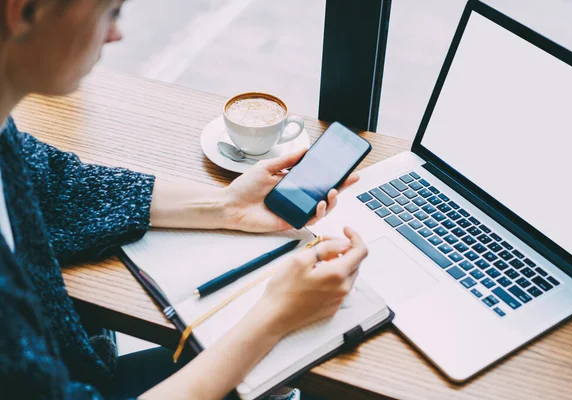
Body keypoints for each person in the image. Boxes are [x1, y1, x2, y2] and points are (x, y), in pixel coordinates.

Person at [0, 1, 369, 399]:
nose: (115, 33)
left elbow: (56, 184)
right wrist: (273, 317)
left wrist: (225, 207)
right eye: (111, 10)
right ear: (22, 12)